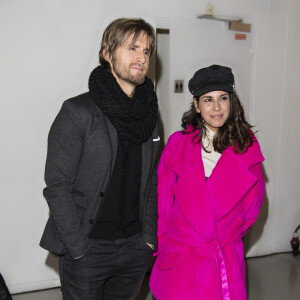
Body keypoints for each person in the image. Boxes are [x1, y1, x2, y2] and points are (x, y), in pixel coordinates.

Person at [40, 18, 160, 300]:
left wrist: (148, 239)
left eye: (146, 51)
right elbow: (57, 187)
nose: (141, 57)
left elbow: (151, 183)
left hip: (134, 248)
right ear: (107, 53)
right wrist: (78, 248)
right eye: (132, 48)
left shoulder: (149, 117)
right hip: (88, 249)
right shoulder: (77, 112)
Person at [150, 65, 265, 299]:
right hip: (182, 256)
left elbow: (253, 206)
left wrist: (226, 234)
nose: (216, 107)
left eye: (223, 98)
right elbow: (162, 200)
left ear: (232, 102)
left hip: (224, 257)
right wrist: (164, 246)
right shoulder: (177, 145)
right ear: (196, 105)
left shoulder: (247, 147)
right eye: (207, 99)